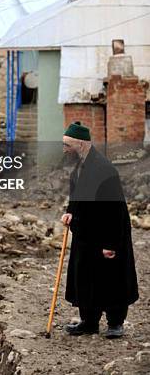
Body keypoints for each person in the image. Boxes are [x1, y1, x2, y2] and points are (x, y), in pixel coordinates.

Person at [61, 121, 139, 338]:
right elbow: (76, 196)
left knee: (110, 277)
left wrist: (110, 244)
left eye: (67, 145)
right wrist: (70, 211)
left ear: (81, 144)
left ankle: (115, 323)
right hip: (86, 233)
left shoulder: (105, 169)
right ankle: (89, 321)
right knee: (85, 275)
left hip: (107, 233)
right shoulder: (78, 168)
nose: (64, 150)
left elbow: (115, 210)